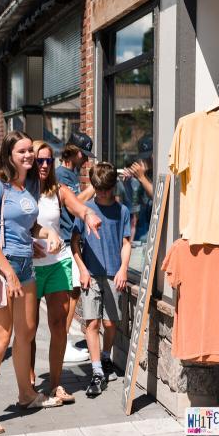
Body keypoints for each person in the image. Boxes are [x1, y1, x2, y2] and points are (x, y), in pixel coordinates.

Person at [0, 131, 101, 435]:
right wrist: (8, 273)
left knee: (27, 332)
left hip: (25, 266)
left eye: (31, 150)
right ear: (9, 154)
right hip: (1, 267)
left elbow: (29, 225)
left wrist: (48, 234)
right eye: (23, 151)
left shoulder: (26, 185)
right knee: (0, 338)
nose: (29, 156)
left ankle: (26, 394)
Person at [29, 140, 101, 403]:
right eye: (40, 160)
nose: (45, 165)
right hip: (29, 268)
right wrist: (27, 243)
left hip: (58, 263)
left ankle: (56, 385)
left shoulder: (56, 189)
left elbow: (76, 205)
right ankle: (29, 384)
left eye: (49, 160)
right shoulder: (19, 191)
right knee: (29, 328)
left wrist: (88, 215)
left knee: (59, 326)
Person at [72, 162, 132, 398]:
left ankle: (106, 357)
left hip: (113, 273)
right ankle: (96, 370)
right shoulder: (85, 209)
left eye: (107, 189)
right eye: (99, 189)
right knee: (92, 323)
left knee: (110, 323)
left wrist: (124, 269)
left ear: (113, 187)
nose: (103, 193)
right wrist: (82, 269)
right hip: (91, 275)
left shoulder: (122, 211)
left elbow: (126, 243)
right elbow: (74, 242)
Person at [55, 137, 96, 362]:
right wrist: (92, 188)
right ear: (73, 152)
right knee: (71, 291)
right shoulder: (61, 175)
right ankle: (63, 343)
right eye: (83, 155)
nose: (85, 160)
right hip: (64, 239)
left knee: (74, 291)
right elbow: (73, 204)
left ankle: (64, 340)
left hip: (71, 237)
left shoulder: (70, 175)